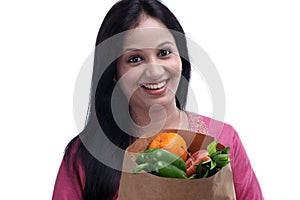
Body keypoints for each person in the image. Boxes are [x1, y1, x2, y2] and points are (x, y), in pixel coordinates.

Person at [52, 0, 264, 199]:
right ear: (114, 71)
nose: (154, 71)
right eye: (135, 59)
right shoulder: (84, 155)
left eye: (164, 52)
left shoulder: (223, 141)